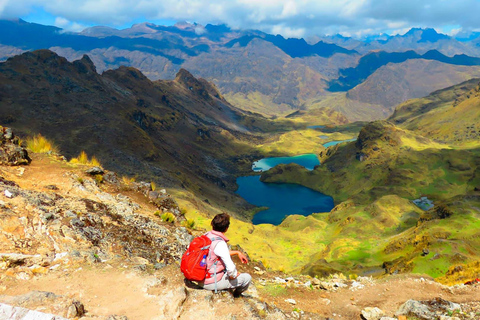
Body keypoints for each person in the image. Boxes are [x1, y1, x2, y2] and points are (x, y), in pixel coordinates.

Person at [201, 213, 251, 297]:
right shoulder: (220, 243)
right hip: (209, 282)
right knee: (247, 278)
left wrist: (237, 252)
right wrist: (233, 276)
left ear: (212, 224)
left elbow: (215, 252)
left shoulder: (206, 236)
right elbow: (231, 269)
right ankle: (236, 296)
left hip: (197, 276)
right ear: (226, 229)